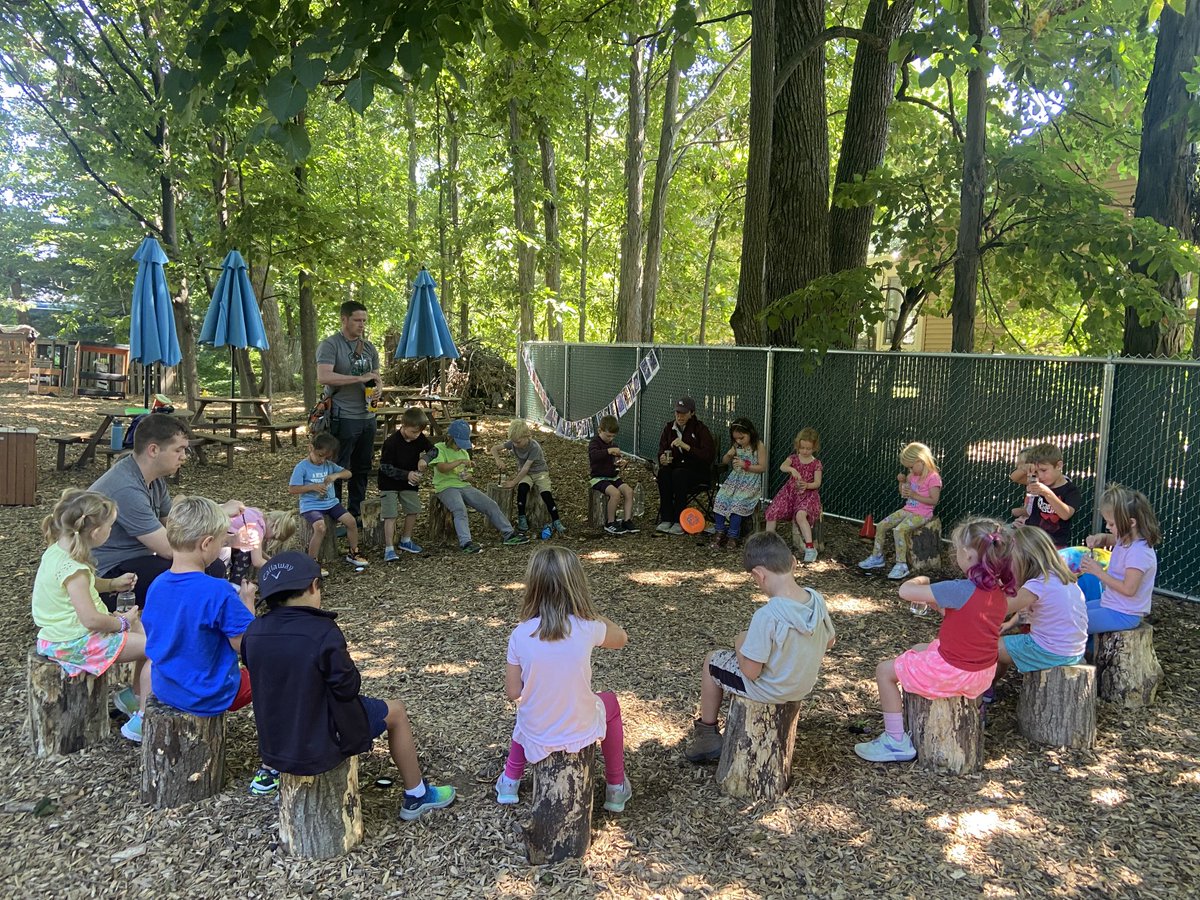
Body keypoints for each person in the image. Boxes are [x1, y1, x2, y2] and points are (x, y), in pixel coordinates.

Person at [241, 552, 457, 821]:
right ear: (313, 586)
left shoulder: (254, 630)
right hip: (322, 740)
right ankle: (417, 794)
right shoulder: (322, 630)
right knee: (397, 712)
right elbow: (347, 687)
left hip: (275, 745)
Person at [141, 497, 277, 793]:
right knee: (278, 677)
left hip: (165, 686)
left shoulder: (157, 585)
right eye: (221, 540)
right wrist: (248, 603)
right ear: (206, 544)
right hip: (209, 692)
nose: (223, 546)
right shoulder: (216, 591)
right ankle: (275, 760)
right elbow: (247, 646)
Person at [854, 518, 1015, 763]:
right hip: (981, 675)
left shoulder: (959, 588)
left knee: (885, 671)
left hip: (954, 672)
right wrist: (937, 603)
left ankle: (895, 740)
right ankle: (977, 712)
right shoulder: (998, 593)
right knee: (922, 648)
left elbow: (905, 592)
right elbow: (969, 618)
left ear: (969, 555)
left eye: (957, 549)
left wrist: (920, 580)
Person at [494, 546, 632, 812]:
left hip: (537, 729)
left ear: (533, 586)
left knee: (527, 710)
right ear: (576, 585)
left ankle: (510, 781)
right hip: (579, 727)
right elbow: (621, 638)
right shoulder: (587, 627)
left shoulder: (520, 634)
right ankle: (616, 786)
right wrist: (591, 613)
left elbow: (513, 692)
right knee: (610, 703)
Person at [685, 532, 836, 762]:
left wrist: (740, 643)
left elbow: (751, 671)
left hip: (769, 690)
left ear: (759, 574)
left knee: (712, 661)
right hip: (802, 685)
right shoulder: (816, 599)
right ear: (793, 563)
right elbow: (829, 641)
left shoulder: (767, 615)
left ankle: (707, 733)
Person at [32, 489, 151, 742]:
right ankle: (142, 719)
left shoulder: (59, 552)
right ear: (97, 533)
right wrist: (121, 622)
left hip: (60, 636)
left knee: (143, 630)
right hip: (75, 642)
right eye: (110, 526)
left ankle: (134, 697)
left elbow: (83, 586)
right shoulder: (74, 569)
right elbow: (91, 620)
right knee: (158, 647)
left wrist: (111, 585)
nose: (111, 530)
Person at [89, 413, 239, 607]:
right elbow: (170, 549)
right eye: (179, 450)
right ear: (153, 450)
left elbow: (174, 524)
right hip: (107, 578)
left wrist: (224, 538)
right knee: (204, 570)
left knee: (210, 566)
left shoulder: (153, 478)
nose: (184, 457)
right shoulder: (126, 488)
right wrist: (219, 514)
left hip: (135, 563)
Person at [991, 526, 1086, 691]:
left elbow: (999, 609)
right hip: (1073, 650)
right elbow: (1031, 612)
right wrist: (1010, 625)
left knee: (988, 648)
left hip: (1050, 651)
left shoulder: (1038, 585)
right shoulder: (1059, 577)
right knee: (1000, 645)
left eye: (1011, 561)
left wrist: (992, 588)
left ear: (1024, 559)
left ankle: (984, 690)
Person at [317, 300, 381, 519]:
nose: (361, 324)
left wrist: (378, 387)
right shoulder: (331, 345)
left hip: (368, 416)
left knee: (362, 468)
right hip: (342, 416)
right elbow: (323, 376)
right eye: (357, 320)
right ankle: (335, 514)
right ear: (344, 319)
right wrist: (358, 378)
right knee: (337, 468)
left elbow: (375, 376)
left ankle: (356, 514)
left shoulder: (369, 347)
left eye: (364, 320)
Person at [432, 419, 530, 553]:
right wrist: (460, 461)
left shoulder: (464, 452)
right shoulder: (439, 448)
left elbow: (470, 476)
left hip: (464, 486)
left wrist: (468, 476)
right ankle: (466, 543)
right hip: (445, 487)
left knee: (490, 504)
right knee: (460, 509)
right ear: (450, 438)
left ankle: (509, 534)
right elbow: (442, 468)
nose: (460, 447)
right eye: (458, 443)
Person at [1079, 484, 1161, 635]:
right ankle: (1086, 651)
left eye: (1111, 524)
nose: (1108, 527)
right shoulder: (1125, 538)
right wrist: (1100, 538)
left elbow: (1128, 589)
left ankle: (1072, 655)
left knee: (1072, 622)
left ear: (1131, 523)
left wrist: (1098, 572)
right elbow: (1110, 539)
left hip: (1124, 614)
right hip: (1111, 604)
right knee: (1073, 609)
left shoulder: (1139, 553)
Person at [858, 442, 942, 580]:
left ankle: (901, 564)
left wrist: (914, 495)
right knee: (881, 525)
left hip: (923, 513)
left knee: (899, 530)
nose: (910, 470)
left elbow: (934, 500)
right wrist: (902, 483)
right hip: (908, 509)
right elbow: (904, 494)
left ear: (921, 460)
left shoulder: (933, 478)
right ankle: (877, 557)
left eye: (911, 466)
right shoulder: (912, 476)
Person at [289, 432, 369, 570]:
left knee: (351, 521)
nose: (322, 460)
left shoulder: (329, 465)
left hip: (331, 503)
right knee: (320, 528)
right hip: (311, 505)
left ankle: (353, 552)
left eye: (326, 457)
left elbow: (348, 473)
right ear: (311, 448)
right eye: (320, 455)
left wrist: (336, 475)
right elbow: (292, 489)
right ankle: (312, 561)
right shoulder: (302, 467)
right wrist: (312, 487)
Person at [492, 419, 566, 536]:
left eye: (518, 442)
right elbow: (494, 449)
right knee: (522, 489)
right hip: (525, 474)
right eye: (514, 442)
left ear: (527, 436)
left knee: (546, 493)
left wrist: (513, 482)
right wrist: (498, 459)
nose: (516, 445)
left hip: (539, 472)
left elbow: (526, 467)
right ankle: (522, 518)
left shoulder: (534, 447)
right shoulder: (513, 443)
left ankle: (556, 520)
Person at [378, 407, 435, 561]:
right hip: (388, 483)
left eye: (418, 432)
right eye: (413, 432)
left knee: (413, 509)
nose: (416, 436)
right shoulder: (391, 442)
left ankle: (406, 540)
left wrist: (425, 459)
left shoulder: (419, 438)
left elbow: (434, 450)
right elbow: (385, 467)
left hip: (408, 483)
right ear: (403, 425)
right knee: (391, 515)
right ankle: (389, 548)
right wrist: (407, 474)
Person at [655, 397, 715, 535]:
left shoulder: (700, 429)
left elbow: (708, 456)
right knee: (664, 473)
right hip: (675, 469)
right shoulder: (669, 428)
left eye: (683, 413)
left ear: (691, 413)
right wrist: (662, 458)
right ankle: (666, 518)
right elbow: (661, 449)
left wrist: (687, 447)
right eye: (677, 413)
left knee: (679, 474)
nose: (679, 416)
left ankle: (679, 520)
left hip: (697, 472)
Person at [764, 427, 823, 563]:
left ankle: (810, 548)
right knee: (772, 511)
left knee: (800, 515)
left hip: (808, 495)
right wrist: (791, 469)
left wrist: (807, 485)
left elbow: (817, 483)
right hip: (790, 493)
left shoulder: (816, 463)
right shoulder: (793, 458)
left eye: (808, 448)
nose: (805, 451)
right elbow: (782, 466)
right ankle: (768, 545)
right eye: (802, 448)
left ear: (814, 447)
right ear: (798, 445)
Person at [1008, 442, 1081, 548]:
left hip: (1054, 546)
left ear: (1059, 466)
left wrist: (1046, 493)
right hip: (1031, 541)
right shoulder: (1037, 482)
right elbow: (1014, 477)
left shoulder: (1071, 490)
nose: (1040, 476)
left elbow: (1066, 514)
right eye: (1036, 471)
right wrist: (1024, 468)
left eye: (1043, 470)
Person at [710, 417, 767, 551]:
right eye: (736, 438)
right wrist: (729, 455)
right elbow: (724, 461)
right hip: (735, 479)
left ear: (750, 433)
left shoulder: (758, 445)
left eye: (742, 438)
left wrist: (745, 465)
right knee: (721, 498)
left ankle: (733, 535)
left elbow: (762, 467)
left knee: (738, 502)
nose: (739, 441)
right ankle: (719, 531)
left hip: (750, 481)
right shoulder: (737, 445)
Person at [588, 415, 637, 535]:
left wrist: (621, 463)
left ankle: (627, 520)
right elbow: (594, 456)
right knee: (615, 493)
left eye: (613, 436)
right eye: (608, 436)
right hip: (599, 477)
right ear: (600, 430)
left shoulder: (613, 444)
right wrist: (608, 451)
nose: (610, 439)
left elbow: (615, 461)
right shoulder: (595, 442)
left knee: (629, 491)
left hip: (613, 476)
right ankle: (610, 522)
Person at [224, 508, 297, 587]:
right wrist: (276, 567)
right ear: (274, 526)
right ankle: (235, 583)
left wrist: (269, 559)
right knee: (247, 550)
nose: (268, 540)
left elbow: (256, 551)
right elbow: (257, 561)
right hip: (221, 536)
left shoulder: (257, 516)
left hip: (221, 528)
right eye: (273, 537)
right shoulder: (257, 530)